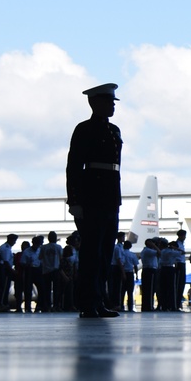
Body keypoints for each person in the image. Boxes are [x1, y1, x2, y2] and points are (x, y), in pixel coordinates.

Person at [66, 83, 123, 318]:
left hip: (110, 196)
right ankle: (88, 303)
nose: (112, 106)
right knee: (91, 253)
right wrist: (75, 200)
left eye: (113, 102)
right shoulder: (84, 129)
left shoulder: (114, 130)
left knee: (105, 253)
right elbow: (73, 166)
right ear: (94, 103)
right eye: (108, 102)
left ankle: (99, 300)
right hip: (91, 196)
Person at [39, 231, 64, 312]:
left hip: (46, 270)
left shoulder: (43, 247)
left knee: (47, 289)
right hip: (55, 270)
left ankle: (47, 306)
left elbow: (40, 257)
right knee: (57, 289)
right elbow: (61, 258)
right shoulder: (58, 247)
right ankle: (56, 305)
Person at [0, 233, 17, 312]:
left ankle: (3, 304)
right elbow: (6, 261)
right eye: (14, 240)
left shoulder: (6, 247)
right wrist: (12, 271)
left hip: (3, 270)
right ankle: (2, 304)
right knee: (4, 288)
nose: (15, 242)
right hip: (4, 271)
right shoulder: (6, 248)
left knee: (4, 288)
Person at [139, 238, 160, 312]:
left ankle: (146, 306)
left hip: (147, 270)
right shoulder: (149, 251)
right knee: (150, 289)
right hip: (150, 270)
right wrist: (154, 246)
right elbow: (159, 253)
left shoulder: (145, 250)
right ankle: (149, 306)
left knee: (147, 290)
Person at [120, 240, 138, 312]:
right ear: (130, 246)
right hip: (130, 273)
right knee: (130, 292)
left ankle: (121, 305)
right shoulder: (132, 255)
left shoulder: (122, 253)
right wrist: (136, 274)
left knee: (122, 291)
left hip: (122, 273)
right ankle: (130, 307)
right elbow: (135, 265)